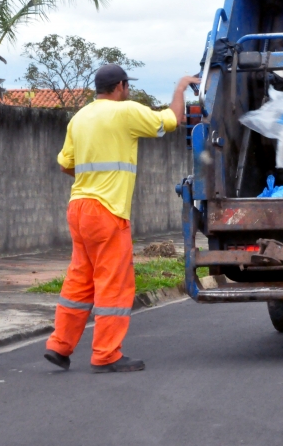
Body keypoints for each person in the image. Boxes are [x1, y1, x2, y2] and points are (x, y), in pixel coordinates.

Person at [44, 64, 200, 373]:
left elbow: (65, 164)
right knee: (113, 283)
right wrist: (181, 88)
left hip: (79, 208)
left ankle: (60, 346)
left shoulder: (80, 118)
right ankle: (105, 354)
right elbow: (172, 120)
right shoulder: (125, 112)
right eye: (127, 87)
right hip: (107, 211)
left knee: (80, 279)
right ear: (121, 86)